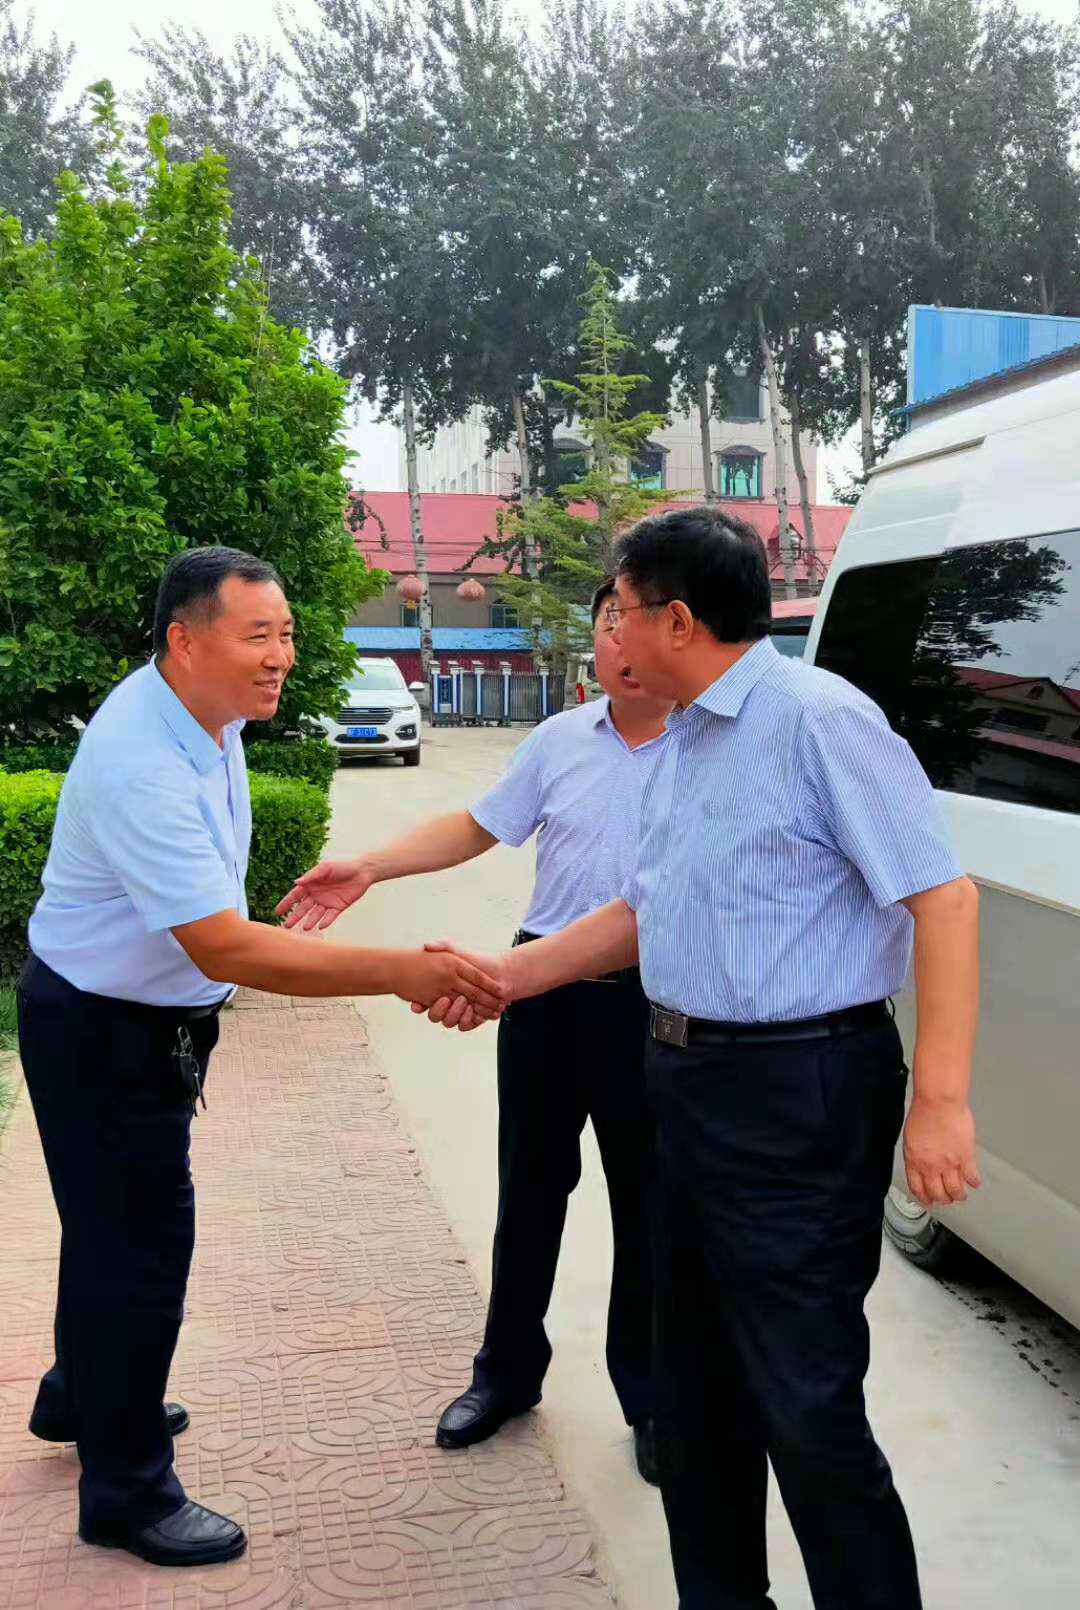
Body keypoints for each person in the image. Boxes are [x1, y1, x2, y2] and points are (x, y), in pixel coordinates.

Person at [418, 506, 982, 1610]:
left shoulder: (820, 721)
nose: (609, 630)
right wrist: (506, 977)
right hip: (683, 1082)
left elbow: (944, 899)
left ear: (677, 619)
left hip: (800, 1090)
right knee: (694, 1395)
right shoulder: (683, 736)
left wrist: (943, 1100)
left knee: (806, 1402)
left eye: (620, 608)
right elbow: (646, 907)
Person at [17, 546, 502, 1569]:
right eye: (257, 636)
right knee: (139, 1253)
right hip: (104, 1030)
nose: (281, 655)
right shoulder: (142, 759)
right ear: (184, 641)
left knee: (107, 1232)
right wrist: (401, 972)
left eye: (285, 634)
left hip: (130, 1017)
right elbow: (225, 946)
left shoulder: (206, 713)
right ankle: (126, 1490)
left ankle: (83, 1396)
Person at [276, 580, 673, 1481]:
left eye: (635, 622)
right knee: (528, 1191)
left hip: (651, 1004)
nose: (620, 641)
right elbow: (476, 825)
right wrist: (370, 868)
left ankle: (652, 1397)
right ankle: (506, 1374)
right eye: (608, 622)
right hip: (541, 997)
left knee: (650, 1206)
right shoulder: (561, 739)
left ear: (672, 632)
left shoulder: (706, 749)